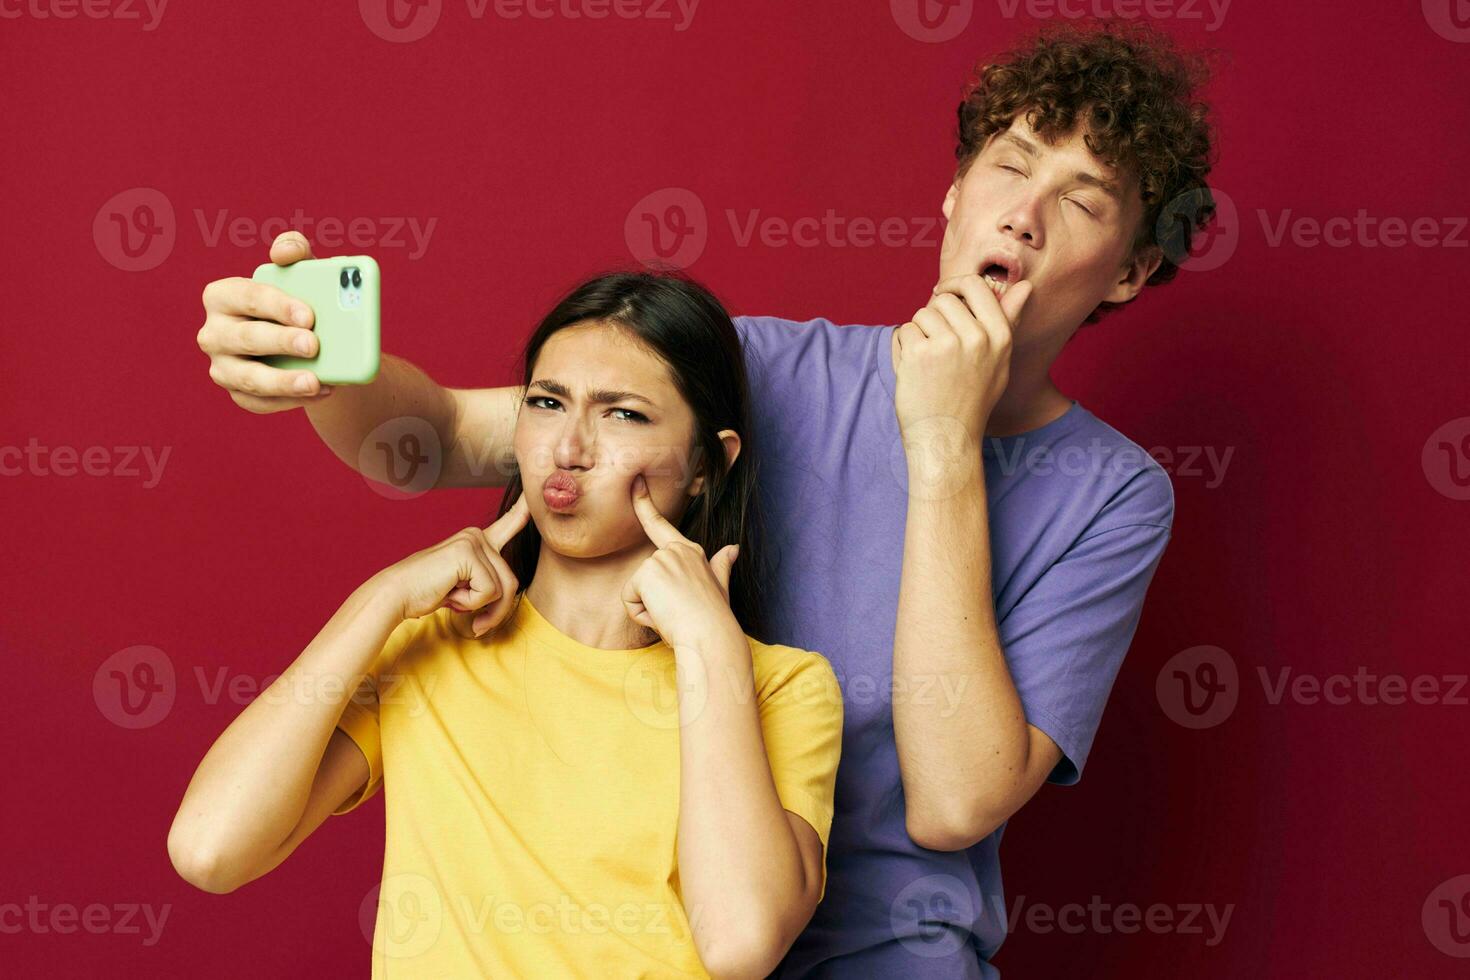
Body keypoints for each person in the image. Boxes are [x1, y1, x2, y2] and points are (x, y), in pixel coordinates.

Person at [192, 19, 1215, 978]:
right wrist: (318, 367)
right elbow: (446, 437)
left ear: (1127, 270)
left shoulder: (1110, 494)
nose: (1024, 216)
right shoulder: (759, 366)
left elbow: (954, 801)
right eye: (1008, 164)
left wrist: (944, 440)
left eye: (1082, 200)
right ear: (952, 195)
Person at [171, 271, 845, 979]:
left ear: (709, 463)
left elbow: (740, 944)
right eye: (547, 403)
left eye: (623, 415)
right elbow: (209, 850)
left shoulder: (783, 686)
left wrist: (710, 644)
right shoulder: (430, 646)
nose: (569, 447)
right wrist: (382, 599)